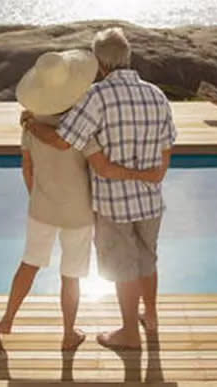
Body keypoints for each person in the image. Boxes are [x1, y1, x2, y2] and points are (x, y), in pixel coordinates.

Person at [0, 49, 163, 351]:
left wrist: (38, 196)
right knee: (71, 275)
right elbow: (99, 168)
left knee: (28, 264)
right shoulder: (84, 128)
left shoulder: (30, 126)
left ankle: (7, 319)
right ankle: (69, 333)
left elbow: (27, 170)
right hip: (78, 213)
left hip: (41, 207)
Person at [24, 27, 175, 350]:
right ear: (128, 57)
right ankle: (150, 317)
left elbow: (62, 141)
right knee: (147, 260)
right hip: (150, 202)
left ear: (100, 64)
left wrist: (33, 124)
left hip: (113, 203)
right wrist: (145, 177)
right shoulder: (156, 94)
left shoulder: (97, 96)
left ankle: (129, 334)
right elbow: (163, 159)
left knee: (123, 267)